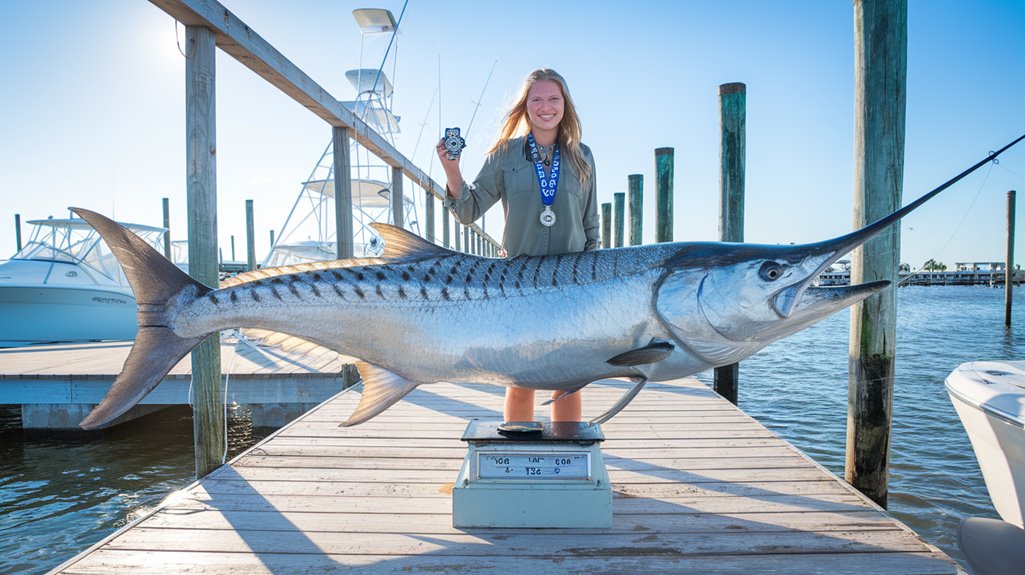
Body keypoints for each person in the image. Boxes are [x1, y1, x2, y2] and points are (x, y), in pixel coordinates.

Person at [436, 68, 599, 423]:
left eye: (553, 99)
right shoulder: (505, 154)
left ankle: (567, 453)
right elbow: (468, 210)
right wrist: (452, 170)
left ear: (565, 105)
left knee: (569, 376)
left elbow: (590, 227)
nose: (545, 107)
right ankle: (519, 449)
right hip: (519, 282)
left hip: (571, 282)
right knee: (521, 374)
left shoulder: (583, 155)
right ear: (524, 107)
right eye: (536, 99)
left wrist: (593, 287)